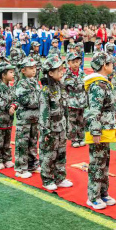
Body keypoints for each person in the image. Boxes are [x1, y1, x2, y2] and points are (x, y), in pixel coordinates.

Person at [84, 52, 116, 210]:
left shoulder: (104, 82)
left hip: (106, 129)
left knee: (104, 162)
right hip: (99, 129)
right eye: (111, 63)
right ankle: (93, 196)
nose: (113, 66)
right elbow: (94, 110)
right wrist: (95, 131)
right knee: (97, 163)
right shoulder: (97, 85)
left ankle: (103, 192)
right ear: (105, 65)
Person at [39, 55, 72, 192]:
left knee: (61, 153)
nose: (62, 72)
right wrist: (45, 130)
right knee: (49, 154)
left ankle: (60, 177)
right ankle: (47, 179)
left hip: (61, 126)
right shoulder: (46, 90)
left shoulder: (61, 86)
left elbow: (65, 108)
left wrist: (68, 124)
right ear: (50, 73)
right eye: (58, 70)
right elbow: (44, 112)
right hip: (51, 128)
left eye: (62, 69)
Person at [14, 58, 41, 176]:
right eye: (31, 68)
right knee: (22, 144)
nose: (34, 70)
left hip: (34, 118)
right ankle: (21, 168)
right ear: (23, 70)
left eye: (35, 68)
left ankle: (32, 164)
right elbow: (25, 100)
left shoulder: (34, 82)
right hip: (24, 118)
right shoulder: (21, 84)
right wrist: (39, 102)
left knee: (33, 142)